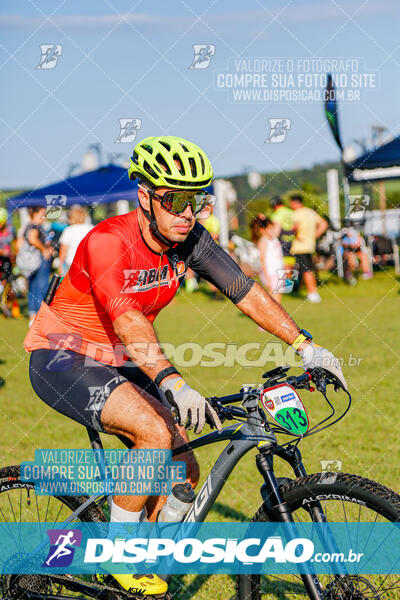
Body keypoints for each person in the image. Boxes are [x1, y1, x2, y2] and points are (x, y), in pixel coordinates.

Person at [24, 136, 346, 596]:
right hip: (63, 355)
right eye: (174, 199)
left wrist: (304, 345)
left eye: (195, 200)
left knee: (184, 469)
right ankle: (120, 556)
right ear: (145, 197)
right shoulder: (107, 241)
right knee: (153, 432)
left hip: (121, 356)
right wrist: (172, 381)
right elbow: (128, 317)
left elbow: (244, 289)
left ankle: (144, 566)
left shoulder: (190, 239)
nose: (186, 212)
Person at [289, 194, 328, 303]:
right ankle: (311, 292)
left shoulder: (296, 214)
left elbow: (295, 228)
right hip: (310, 245)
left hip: (300, 246)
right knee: (308, 269)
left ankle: (312, 293)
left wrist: (296, 235)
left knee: (305, 270)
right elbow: (324, 224)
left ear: (295, 203)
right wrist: (315, 235)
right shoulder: (311, 212)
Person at [23, 206, 53, 326]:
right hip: (39, 261)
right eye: (42, 213)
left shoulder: (30, 226)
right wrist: (44, 249)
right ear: (35, 214)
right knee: (42, 288)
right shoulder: (34, 227)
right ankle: (40, 317)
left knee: (33, 288)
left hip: (32, 263)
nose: (44, 216)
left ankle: (34, 317)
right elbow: (32, 239)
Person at [255, 217, 284, 304]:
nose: (272, 231)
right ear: (262, 230)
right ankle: (275, 316)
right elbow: (262, 259)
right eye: (269, 229)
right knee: (274, 298)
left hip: (279, 271)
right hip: (270, 272)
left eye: (272, 228)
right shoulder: (263, 241)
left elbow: (278, 223)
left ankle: (277, 315)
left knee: (278, 296)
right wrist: (266, 277)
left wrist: (265, 217)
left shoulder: (274, 238)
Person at [58, 205, 93, 275]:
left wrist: (60, 265)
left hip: (71, 264)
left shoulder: (68, 230)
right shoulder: (91, 228)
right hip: (88, 264)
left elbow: (63, 250)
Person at [341, 220, 372, 284]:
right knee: (351, 257)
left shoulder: (355, 233)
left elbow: (359, 242)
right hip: (347, 251)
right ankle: (349, 274)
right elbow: (343, 244)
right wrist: (350, 245)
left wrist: (355, 244)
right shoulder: (343, 234)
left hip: (357, 250)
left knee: (363, 256)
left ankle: (367, 273)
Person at [270, 196, 295, 269]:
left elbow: (276, 231)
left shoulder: (276, 214)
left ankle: (288, 281)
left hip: (283, 241)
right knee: (293, 266)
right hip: (294, 241)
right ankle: (294, 280)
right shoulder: (291, 212)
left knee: (286, 267)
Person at [0, 207, 15, 282]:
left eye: (2, 223)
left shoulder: (10, 229)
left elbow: (15, 243)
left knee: (8, 281)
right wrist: (2, 252)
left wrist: (14, 254)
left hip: (7, 261)